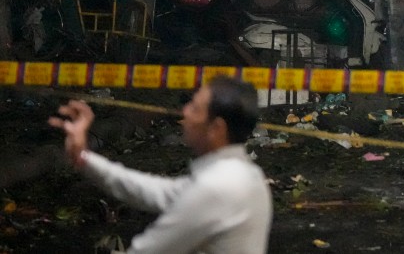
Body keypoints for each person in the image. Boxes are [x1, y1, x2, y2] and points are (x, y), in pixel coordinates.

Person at [48, 77, 271, 253]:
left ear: (217, 128)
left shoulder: (215, 188)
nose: (185, 112)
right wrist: (84, 158)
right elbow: (154, 191)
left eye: (195, 108)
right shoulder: (245, 175)